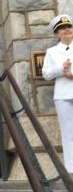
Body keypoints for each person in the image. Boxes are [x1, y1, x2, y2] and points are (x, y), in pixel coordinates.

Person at [42, 14, 73, 173]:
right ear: (56, 34)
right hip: (63, 96)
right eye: (62, 28)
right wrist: (61, 69)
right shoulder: (52, 51)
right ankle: (71, 169)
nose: (67, 30)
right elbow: (46, 74)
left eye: (69, 27)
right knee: (68, 132)